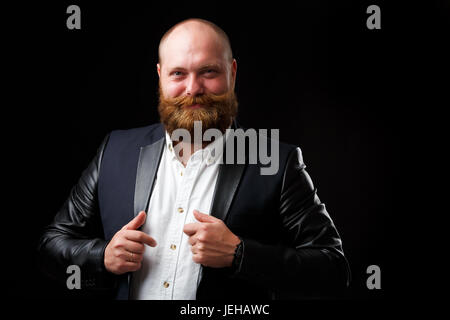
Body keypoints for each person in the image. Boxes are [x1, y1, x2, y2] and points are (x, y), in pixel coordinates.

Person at [38, 18, 350, 300]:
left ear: (233, 72)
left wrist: (240, 255)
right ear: (160, 76)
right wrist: (101, 255)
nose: (193, 89)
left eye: (208, 72)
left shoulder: (277, 162)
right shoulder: (115, 149)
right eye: (178, 73)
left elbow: (333, 270)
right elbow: (51, 244)